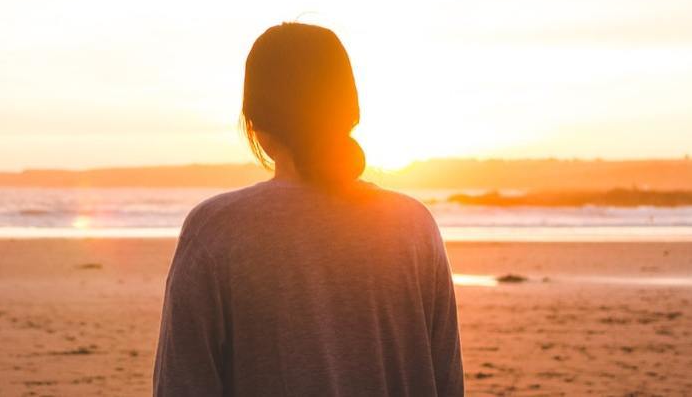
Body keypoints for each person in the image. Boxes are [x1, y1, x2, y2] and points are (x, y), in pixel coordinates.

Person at [153, 22, 463, 396]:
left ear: (254, 122)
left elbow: (181, 385)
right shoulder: (413, 225)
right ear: (349, 113)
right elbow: (447, 382)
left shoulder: (216, 229)